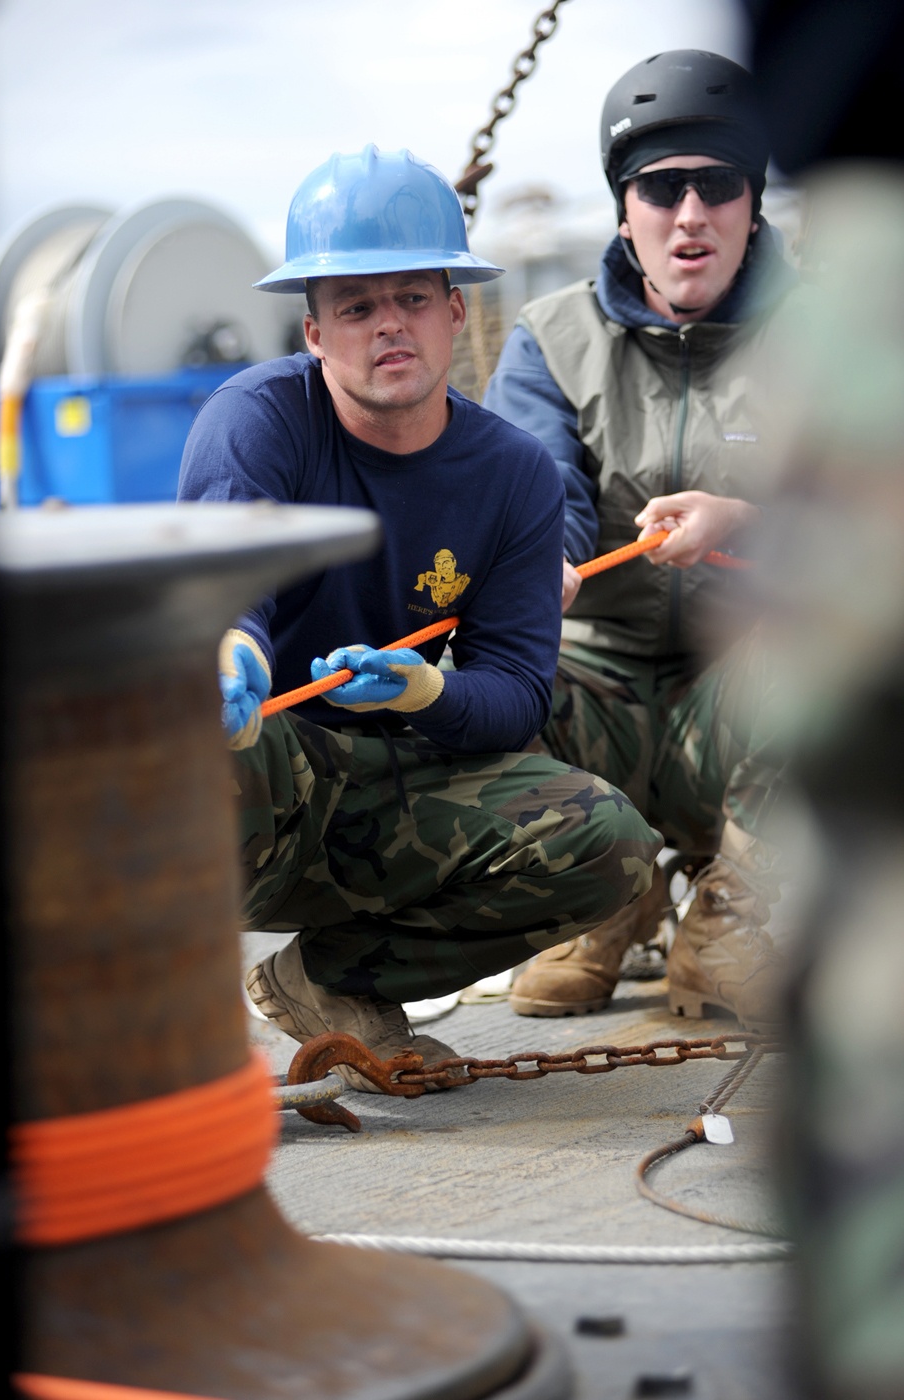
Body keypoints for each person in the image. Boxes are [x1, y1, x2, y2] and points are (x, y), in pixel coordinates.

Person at [178, 145, 662, 1090]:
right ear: (313, 333)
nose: (387, 326)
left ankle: (329, 979)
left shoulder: (512, 475)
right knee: (163, 740)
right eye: (356, 307)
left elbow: (517, 694)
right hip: (259, 770)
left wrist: (428, 689)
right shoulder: (257, 421)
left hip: (395, 783)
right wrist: (230, 647)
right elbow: (221, 585)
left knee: (606, 846)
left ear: (455, 312)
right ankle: (122, 1035)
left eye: (411, 297)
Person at [483, 51, 800, 1031]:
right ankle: (600, 897)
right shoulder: (546, 337)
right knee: (484, 667)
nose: (690, 213)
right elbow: (535, 489)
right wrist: (542, 561)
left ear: (752, 206)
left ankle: (732, 911)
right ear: (625, 209)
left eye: (719, 185)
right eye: (662, 187)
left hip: (741, 702)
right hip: (600, 700)